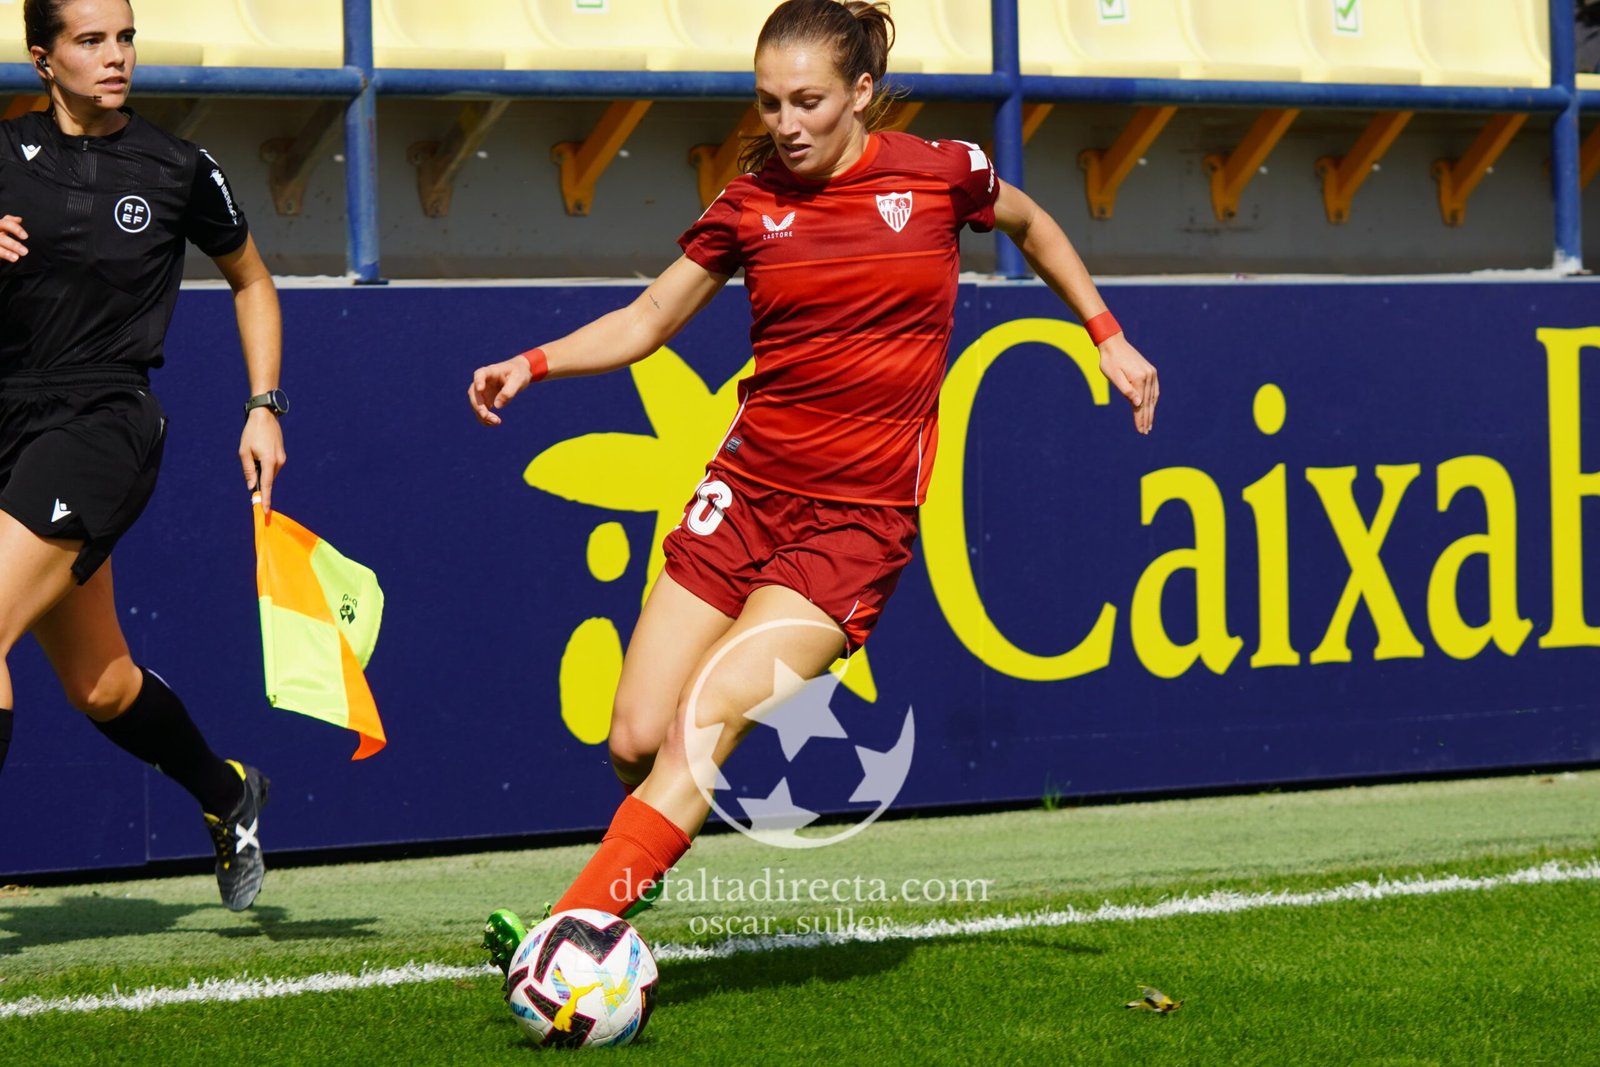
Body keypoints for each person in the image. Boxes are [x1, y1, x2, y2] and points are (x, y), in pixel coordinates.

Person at [468, 0, 1157, 967]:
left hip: (856, 527)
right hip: (745, 494)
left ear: (861, 93)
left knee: (705, 723)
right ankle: (634, 868)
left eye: (807, 101)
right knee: (635, 737)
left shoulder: (938, 173)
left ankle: (570, 936)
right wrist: (530, 364)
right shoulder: (750, 205)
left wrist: (1107, 334)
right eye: (768, 103)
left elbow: (1034, 223)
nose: (785, 123)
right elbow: (647, 318)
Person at [0, 0, 284, 910]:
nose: (115, 56)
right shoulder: (2, 156)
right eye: (91, 41)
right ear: (42, 57)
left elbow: (252, 282)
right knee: (103, 684)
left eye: (124, 37)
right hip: (7, 419)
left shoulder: (176, 167)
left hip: (101, 424)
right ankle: (228, 792)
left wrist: (263, 407)